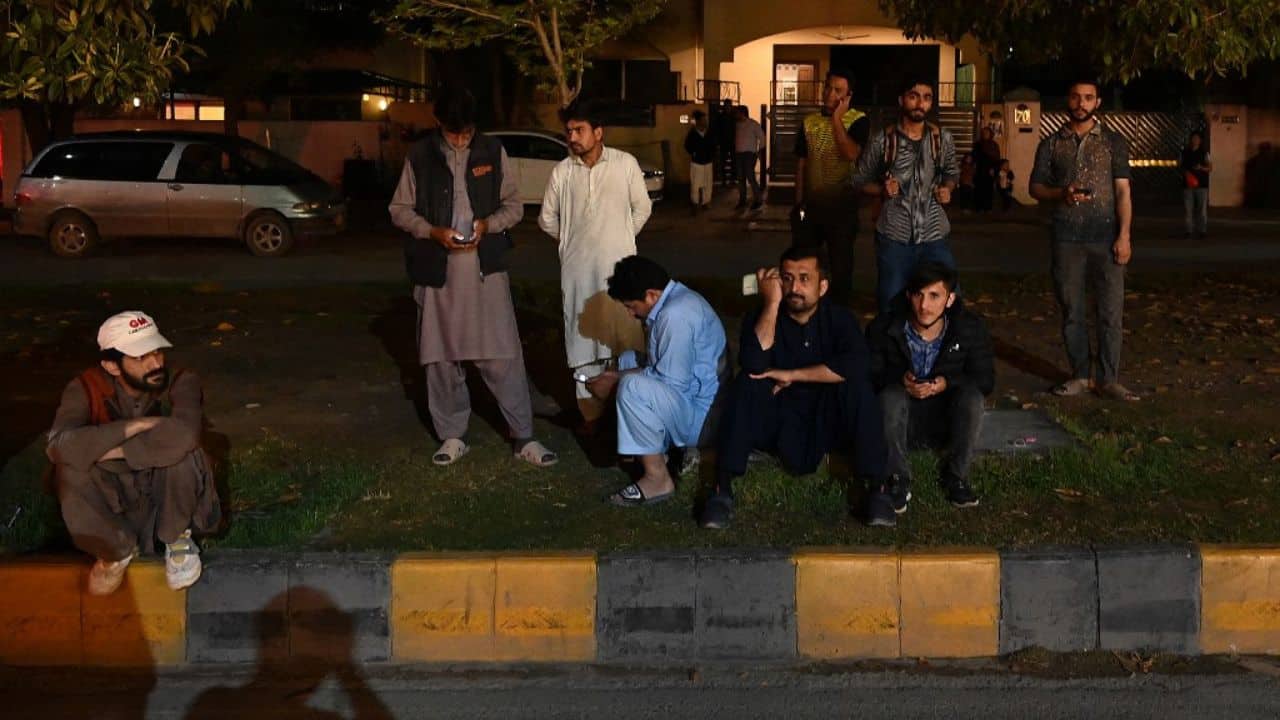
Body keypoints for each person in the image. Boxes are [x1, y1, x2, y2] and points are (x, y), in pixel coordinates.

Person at [390, 85, 557, 467]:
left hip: (486, 271)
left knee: (501, 354)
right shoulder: (419, 155)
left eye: (466, 132)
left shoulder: (492, 151)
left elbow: (513, 206)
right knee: (440, 356)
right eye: (454, 133)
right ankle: (452, 435)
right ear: (438, 123)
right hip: (438, 273)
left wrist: (488, 225)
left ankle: (523, 437)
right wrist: (431, 231)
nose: (461, 139)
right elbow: (399, 209)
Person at [701, 245, 887, 530]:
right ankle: (721, 490)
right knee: (746, 384)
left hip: (825, 414)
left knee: (858, 388)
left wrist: (793, 375)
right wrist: (772, 304)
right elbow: (753, 362)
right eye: (787, 278)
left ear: (822, 286)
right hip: (779, 414)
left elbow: (856, 365)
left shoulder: (839, 319)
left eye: (804, 278)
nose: (794, 287)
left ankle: (877, 490)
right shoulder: (763, 315)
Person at [46, 311, 220, 595]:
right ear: (112, 366)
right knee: (68, 469)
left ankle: (177, 539)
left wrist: (104, 450)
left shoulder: (180, 380)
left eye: (157, 352)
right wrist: (136, 426)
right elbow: (59, 446)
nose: (155, 363)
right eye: (141, 357)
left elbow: (184, 435)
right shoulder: (86, 388)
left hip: (166, 496)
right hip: (115, 497)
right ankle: (115, 550)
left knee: (184, 453)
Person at [539, 98, 653, 433]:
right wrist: (573, 242)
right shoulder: (562, 171)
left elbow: (642, 209)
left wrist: (619, 239)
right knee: (583, 341)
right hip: (577, 273)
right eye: (569, 130)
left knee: (624, 339)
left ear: (598, 132)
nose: (572, 136)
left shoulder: (624, 164)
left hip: (619, 272)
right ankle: (591, 417)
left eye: (579, 130)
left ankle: (628, 412)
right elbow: (547, 220)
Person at [577, 256, 727, 507]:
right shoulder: (674, 302)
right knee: (627, 361)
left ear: (651, 295)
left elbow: (671, 382)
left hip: (704, 419)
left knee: (632, 388)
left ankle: (657, 479)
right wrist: (617, 375)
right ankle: (647, 449)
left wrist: (614, 384)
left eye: (631, 305)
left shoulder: (675, 316)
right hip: (694, 400)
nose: (629, 312)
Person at [1030, 79, 1137, 402]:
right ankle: (1079, 375)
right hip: (1066, 238)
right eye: (1076, 96)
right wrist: (1059, 194)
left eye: (1088, 98)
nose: (1081, 103)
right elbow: (1034, 188)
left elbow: (1123, 191)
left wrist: (1124, 235)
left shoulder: (1113, 142)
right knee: (1072, 309)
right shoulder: (1050, 143)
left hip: (1106, 238)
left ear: (1098, 102)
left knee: (1110, 311)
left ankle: (1108, 379)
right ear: (1068, 99)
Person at [864, 262, 994, 527]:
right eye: (918, 295)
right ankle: (897, 479)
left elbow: (985, 379)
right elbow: (868, 374)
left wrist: (946, 383)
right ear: (909, 295)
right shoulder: (885, 327)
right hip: (902, 419)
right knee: (889, 396)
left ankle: (956, 476)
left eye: (934, 296)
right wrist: (899, 379)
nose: (925, 305)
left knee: (973, 397)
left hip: (945, 417)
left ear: (950, 299)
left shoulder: (968, 328)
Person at [852, 77, 960, 314]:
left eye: (927, 97)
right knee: (891, 303)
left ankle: (943, 349)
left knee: (949, 301)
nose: (920, 103)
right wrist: (881, 190)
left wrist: (947, 189)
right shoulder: (883, 140)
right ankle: (890, 349)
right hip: (894, 236)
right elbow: (858, 181)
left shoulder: (942, 139)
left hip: (934, 234)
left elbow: (952, 173)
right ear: (902, 100)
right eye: (914, 96)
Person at [792, 67, 871, 306]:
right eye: (828, 87)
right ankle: (806, 305)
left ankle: (839, 313)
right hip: (811, 206)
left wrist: (837, 118)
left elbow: (850, 154)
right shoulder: (808, 123)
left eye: (838, 90)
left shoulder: (858, 120)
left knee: (840, 265)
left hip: (842, 207)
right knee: (805, 261)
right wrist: (798, 206)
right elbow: (801, 166)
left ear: (848, 96)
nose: (829, 93)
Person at [733, 106, 765, 211]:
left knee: (750, 177)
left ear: (743, 113)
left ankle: (758, 200)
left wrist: (759, 150)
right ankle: (743, 200)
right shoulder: (736, 125)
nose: (736, 115)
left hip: (749, 155)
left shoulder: (753, 124)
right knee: (740, 178)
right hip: (739, 154)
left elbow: (762, 137)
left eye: (737, 113)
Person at [1180, 132, 1211, 239]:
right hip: (1187, 185)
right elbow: (1180, 165)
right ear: (1191, 139)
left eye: (1197, 138)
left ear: (1200, 140)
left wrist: (1201, 168)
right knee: (1188, 209)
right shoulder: (1185, 152)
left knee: (1202, 209)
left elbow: (1210, 168)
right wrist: (1186, 173)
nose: (1195, 140)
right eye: (1193, 138)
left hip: (1202, 185)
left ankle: (1202, 231)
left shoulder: (1204, 153)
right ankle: (1188, 230)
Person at [685, 110, 717, 211]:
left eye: (706, 119)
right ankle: (695, 202)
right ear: (698, 121)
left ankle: (706, 202)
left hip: (708, 162)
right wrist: (694, 152)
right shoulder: (693, 134)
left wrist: (712, 154)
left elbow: (714, 145)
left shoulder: (709, 133)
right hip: (697, 163)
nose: (705, 122)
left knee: (708, 184)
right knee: (695, 184)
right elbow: (687, 146)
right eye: (703, 120)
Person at [972, 127, 1001, 212]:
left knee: (988, 189)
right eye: (984, 133)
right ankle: (979, 207)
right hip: (980, 169)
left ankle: (987, 207)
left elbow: (996, 158)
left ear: (990, 134)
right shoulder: (978, 144)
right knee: (979, 189)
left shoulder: (994, 145)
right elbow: (974, 156)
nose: (985, 134)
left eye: (987, 133)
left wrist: (994, 169)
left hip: (989, 170)